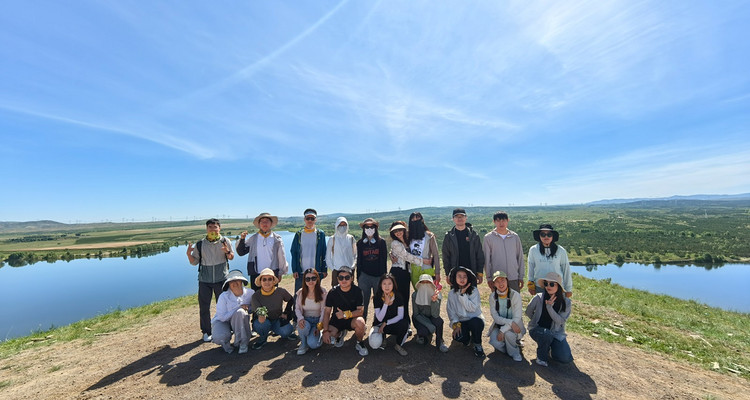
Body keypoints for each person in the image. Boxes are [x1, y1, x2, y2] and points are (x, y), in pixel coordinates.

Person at [187, 218, 234, 342]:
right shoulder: (200, 244)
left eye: (215, 227)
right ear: (206, 229)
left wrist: (227, 251)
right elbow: (194, 262)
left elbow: (231, 257)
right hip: (204, 280)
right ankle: (206, 331)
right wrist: (188, 255)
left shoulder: (225, 241)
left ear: (219, 228)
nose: (213, 230)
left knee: (224, 306)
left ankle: (226, 328)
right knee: (204, 307)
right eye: (210, 227)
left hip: (221, 278)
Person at [526, 271, 573, 366]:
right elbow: (528, 311)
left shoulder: (566, 302)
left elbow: (560, 321)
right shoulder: (538, 297)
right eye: (546, 283)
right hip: (537, 330)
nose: (548, 286)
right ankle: (541, 358)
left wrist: (549, 308)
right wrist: (535, 320)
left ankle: (550, 349)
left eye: (552, 284)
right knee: (545, 334)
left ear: (558, 286)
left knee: (565, 358)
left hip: (555, 333)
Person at [321, 266, 369, 356]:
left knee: (360, 322)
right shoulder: (332, 292)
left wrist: (345, 315)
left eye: (347, 277)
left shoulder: (357, 291)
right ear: (337, 279)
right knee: (328, 337)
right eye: (341, 277)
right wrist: (325, 331)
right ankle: (340, 334)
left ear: (352, 278)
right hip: (337, 320)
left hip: (351, 319)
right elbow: (327, 312)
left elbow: (360, 311)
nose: (344, 280)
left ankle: (359, 342)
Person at [389, 221, 432, 319]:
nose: (398, 232)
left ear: (404, 230)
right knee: (398, 298)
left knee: (405, 298)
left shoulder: (408, 241)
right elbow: (406, 256)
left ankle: (406, 322)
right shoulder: (395, 243)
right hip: (397, 273)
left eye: (400, 229)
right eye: (395, 231)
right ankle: (398, 321)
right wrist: (423, 261)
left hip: (406, 273)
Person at [237, 213, 289, 291]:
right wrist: (242, 239)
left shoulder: (277, 239)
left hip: (272, 273)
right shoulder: (253, 238)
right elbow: (241, 252)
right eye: (262, 221)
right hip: (256, 273)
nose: (265, 223)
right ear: (259, 224)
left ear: (271, 224)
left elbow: (281, 256)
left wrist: (280, 272)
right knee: (256, 297)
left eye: (267, 221)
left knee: (272, 296)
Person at [250, 268, 296, 349]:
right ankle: (263, 339)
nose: (267, 282)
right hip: (263, 321)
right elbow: (258, 312)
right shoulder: (256, 296)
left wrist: (286, 312)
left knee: (287, 331)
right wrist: (261, 317)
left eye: (269, 279)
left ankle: (277, 330)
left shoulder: (280, 291)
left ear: (273, 281)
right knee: (263, 324)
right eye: (264, 279)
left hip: (277, 319)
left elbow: (291, 300)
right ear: (260, 282)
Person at [211, 270, 254, 354]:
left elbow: (253, 308)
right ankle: (226, 345)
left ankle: (242, 343)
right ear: (228, 284)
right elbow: (222, 317)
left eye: (237, 280)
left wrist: (247, 308)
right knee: (219, 337)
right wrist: (238, 307)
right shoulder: (223, 296)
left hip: (239, 319)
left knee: (240, 312)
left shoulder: (250, 293)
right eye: (231, 281)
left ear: (242, 281)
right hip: (223, 321)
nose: (235, 283)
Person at [447, 266, 485, 358]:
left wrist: (463, 295)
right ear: (454, 278)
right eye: (459, 276)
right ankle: (468, 338)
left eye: (464, 276)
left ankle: (477, 344)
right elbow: (451, 311)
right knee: (458, 337)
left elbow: (472, 309)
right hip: (461, 322)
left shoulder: (474, 291)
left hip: (474, 319)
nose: (462, 279)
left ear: (468, 278)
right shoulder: (452, 294)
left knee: (476, 323)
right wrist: (456, 325)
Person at [487, 271, 525, 362]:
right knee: (494, 341)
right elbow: (496, 318)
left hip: (516, 325)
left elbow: (517, 317)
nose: (501, 283)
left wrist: (503, 330)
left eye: (503, 280)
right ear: (494, 284)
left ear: (507, 281)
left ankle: (515, 352)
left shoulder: (515, 295)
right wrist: (509, 323)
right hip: (503, 325)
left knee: (508, 334)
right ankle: (509, 348)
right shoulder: (492, 297)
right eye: (497, 281)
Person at [369, 274, 410, 356]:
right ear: (380, 285)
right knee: (374, 345)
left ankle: (398, 345)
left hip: (391, 324)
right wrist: (386, 304)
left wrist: (386, 323)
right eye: (384, 284)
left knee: (405, 324)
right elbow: (380, 319)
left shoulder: (398, 296)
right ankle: (383, 337)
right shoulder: (377, 297)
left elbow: (400, 316)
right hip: (380, 325)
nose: (387, 286)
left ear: (393, 285)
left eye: (389, 283)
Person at [527, 224, 572, 297]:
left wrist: (568, 288)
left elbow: (566, 269)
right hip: (540, 287)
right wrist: (530, 284)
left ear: (553, 236)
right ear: (539, 236)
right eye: (543, 234)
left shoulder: (560, 251)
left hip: (557, 287)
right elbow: (530, 268)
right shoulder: (533, 250)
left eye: (549, 234)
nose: (546, 237)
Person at [483, 211, 524, 292]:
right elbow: (487, 259)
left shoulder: (514, 237)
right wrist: (489, 278)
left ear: (508, 221)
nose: (501, 223)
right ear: (494, 222)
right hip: (497, 279)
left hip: (513, 277)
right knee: (498, 303)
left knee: (514, 302)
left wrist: (521, 276)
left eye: (503, 220)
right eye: (498, 221)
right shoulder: (488, 238)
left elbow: (520, 257)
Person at [442, 208, 485, 285]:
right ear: (453, 219)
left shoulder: (474, 235)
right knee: (455, 296)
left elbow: (479, 255)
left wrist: (480, 272)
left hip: (472, 272)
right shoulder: (448, 236)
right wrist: (448, 274)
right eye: (457, 216)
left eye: (462, 216)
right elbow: (446, 257)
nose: (459, 218)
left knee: (472, 295)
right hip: (455, 273)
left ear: (466, 218)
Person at [356, 218, 387, 321]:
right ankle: (362, 321)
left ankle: (377, 322)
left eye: (371, 227)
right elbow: (359, 260)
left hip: (378, 276)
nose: (369, 229)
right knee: (363, 301)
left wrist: (384, 277)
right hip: (364, 276)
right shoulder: (360, 243)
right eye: (366, 227)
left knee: (378, 300)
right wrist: (359, 276)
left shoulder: (381, 242)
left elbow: (383, 260)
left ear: (375, 228)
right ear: (363, 229)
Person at [290, 208, 327, 293]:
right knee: (299, 294)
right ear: (304, 219)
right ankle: (296, 307)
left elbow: (324, 253)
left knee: (315, 294)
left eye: (312, 218)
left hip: (316, 271)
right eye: (308, 218)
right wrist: (295, 269)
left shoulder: (320, 234)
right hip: (301, 271)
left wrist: (324, 270)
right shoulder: (299, 234)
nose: (310, 220)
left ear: (315, 220)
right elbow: (294, 252)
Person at [411, 274, 449, 352]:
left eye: (427, 283)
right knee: (424, 331)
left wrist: (434, 301)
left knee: (439, 322)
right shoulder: (415, 295)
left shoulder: (437, 295)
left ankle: (440, 342)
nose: (425, 285)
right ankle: (421, 335)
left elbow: (435, 315)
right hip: (420, 318)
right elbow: (416, 314)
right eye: (423, 283)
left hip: (431, 316)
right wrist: (429, 325)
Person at [294, 268, 328, 355]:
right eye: (307, 279)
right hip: (306, 320)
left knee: (313, 345)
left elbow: (324, 310)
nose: (310, 281)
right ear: (304, 280)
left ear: (317, 279)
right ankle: (303, 343)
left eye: (313, 278)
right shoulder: (301, 293)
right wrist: (300, 319)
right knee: (302, 326)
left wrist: (319, 325)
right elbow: (297, 308)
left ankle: (317, 336)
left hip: (317, 321)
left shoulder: (322, 292)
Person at [407, 212, 441, 287]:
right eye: (413, 219)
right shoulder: (408, 236)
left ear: (422, 220)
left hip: (426, 268)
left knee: (428, 292)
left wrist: (437, 273)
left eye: (418, 218)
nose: (415, 221)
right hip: (413, 269)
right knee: (418, 293)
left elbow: (435, 254)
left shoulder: (429, 236)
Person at [325, 216, 357, 288]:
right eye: (340, 225)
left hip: (349, 269)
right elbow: (328, 257)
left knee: (350, 290)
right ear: (337, 225)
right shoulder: (332, 239)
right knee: (336, 293)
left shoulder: (351, 238)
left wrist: (353, 266)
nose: (342, 227)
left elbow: (355, 254)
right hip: (337, 270)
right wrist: (333, 269)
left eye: (344, 225)